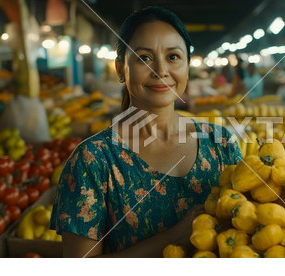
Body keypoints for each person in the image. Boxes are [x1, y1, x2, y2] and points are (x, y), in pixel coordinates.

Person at [49, 7, 242, 257]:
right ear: (120, 69)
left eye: (173, 57)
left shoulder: (221, 142)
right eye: (144, 58)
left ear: (187, 66)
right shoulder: (92, 161)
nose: (160, 70)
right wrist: (174, 237)